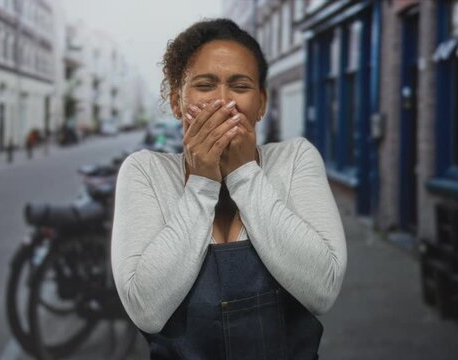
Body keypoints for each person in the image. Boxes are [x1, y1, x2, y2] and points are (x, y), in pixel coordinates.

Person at [111, 18, 347, 359]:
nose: (223, 102)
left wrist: (243, 173)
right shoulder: (145, 172)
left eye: (240, 86)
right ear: (177, 101)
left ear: (261, 103)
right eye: (205, 86)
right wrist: (203, 181)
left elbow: (322, 291)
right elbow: (146, 310)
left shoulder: (295, 160)